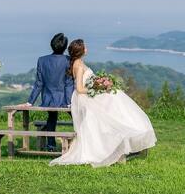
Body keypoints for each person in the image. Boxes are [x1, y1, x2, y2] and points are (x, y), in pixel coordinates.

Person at [50, 39, 157, 167]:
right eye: (85, 47)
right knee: (115, 97)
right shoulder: (78, 65)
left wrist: (99, 85)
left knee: (115, 96)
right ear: (81, 50)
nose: (87, 49)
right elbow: (79, 88)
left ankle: (124, 132)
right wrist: (97, 89)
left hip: (88, 95)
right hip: (84, 97)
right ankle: (123, 133)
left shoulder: (78, 62)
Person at [25, 33, 74, 151]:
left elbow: (39, 83)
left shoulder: (42, 60)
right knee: (77, 118)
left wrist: (30, 102)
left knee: (52, 118)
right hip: (64, 99)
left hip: (48, 100)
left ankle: (51, 145)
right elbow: (68, 84)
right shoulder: (68, 60)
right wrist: (69, 102)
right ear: (65, 47)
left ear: (51, 45)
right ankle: (80, 143)